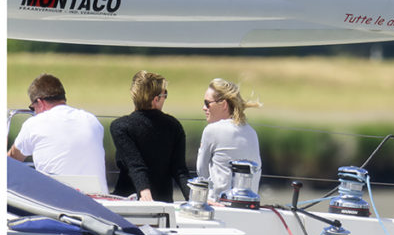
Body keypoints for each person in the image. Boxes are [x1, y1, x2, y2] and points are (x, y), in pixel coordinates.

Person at [7, 73, 108, 193]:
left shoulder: (34, 123)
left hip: (57, 201)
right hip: (100, 200)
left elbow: (11, 162)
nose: (34, 113)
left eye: (33, 108)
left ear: (40, 103)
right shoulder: (91, 120)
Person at [110, 70, 190, 202]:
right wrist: (193, 198)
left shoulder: (120, 127)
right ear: (156, 99)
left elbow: (135, 164)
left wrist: (144, 191)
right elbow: (180, 170)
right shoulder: (174, 126)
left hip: (128, 200)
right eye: (165, 94)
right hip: (162, 201)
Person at [196, 78, 262, 201]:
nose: (204, 108)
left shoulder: (211, 130)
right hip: (249, 203)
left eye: (207, 103)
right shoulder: (252, 132)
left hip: (220, 204)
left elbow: (202, 173)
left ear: (224, 104)